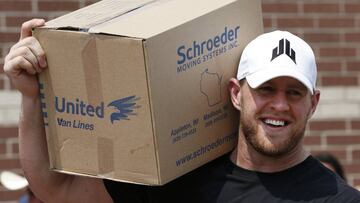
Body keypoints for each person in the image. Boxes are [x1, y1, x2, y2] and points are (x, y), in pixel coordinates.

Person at [4, 19, 360, 203]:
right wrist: (33, 99)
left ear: (312, 103)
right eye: (266, 88)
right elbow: (56, 189)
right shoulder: (178, 180)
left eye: (294, 93)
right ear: (236, 94)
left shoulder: (339, 199)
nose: (279, 105)